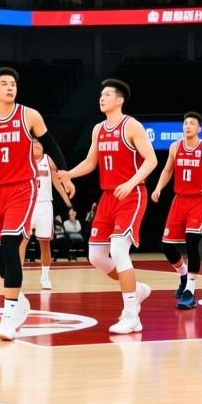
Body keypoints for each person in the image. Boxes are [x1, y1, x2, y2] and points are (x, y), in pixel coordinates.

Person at [0, 67, 74, 341]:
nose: (10, 87)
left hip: (23, 188)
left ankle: (9, 315)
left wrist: (64, 172)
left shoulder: (29, 115)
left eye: (13, 84)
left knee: (12, 243)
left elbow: (52, 145)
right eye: (4, 83)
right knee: (2, 261)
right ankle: (19, 301)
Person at [65, 79, 158, 335]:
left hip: (131, 194)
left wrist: (130, 183)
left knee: (119, 251)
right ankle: (136, 289)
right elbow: (90, 162)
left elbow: (151, 160)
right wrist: (68, 174)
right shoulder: (98, 129)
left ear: (120, 100)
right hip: (107, 197)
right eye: (101, 94)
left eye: (107, 94)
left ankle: (131, 315)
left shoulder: (131, 125)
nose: (101, 98)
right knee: (96, 257)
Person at [150, 111, 202, 309]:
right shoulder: (175, 147)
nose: (187, 126)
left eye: (192, 123)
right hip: (179, 200)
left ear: (199, 128)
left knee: (192, 243)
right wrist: (158, 187)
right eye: (185, 123)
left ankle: (190, 291)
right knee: (167, 247)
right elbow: (168, 170)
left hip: (198, 201)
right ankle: (183, 275)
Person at [21, 139, 75, 290]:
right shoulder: (23, 160)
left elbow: (58, 182)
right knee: (22, 241)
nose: (37, 145)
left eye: (39, 143)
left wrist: (67, 201)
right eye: (33, 143)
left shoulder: (48, 160)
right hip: (27, 204)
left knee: (45, 243)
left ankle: (45, 276)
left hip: (45, 204)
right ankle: (17, 274)